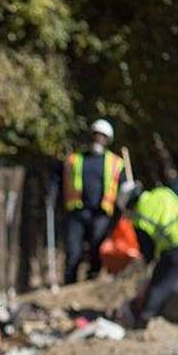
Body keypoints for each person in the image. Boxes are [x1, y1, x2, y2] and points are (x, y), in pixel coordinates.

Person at [116, 182, 178, 327]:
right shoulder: (163, 192)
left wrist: (149, 266)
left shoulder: (139, 217)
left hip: (177, 247)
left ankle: (144, 319)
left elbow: (148, 250)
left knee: (159, 286)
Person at [62, 118, 127, 284]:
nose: (98, 139)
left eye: (102, 136)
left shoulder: (116, 162)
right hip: (77, 211)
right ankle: (70, 282)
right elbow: (59, 179)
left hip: (101, 214)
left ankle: (92, 279)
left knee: (97, 250)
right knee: (73, 251)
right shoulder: (75, 159)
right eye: (96, 135)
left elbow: (123, 188)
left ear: (107, 140)